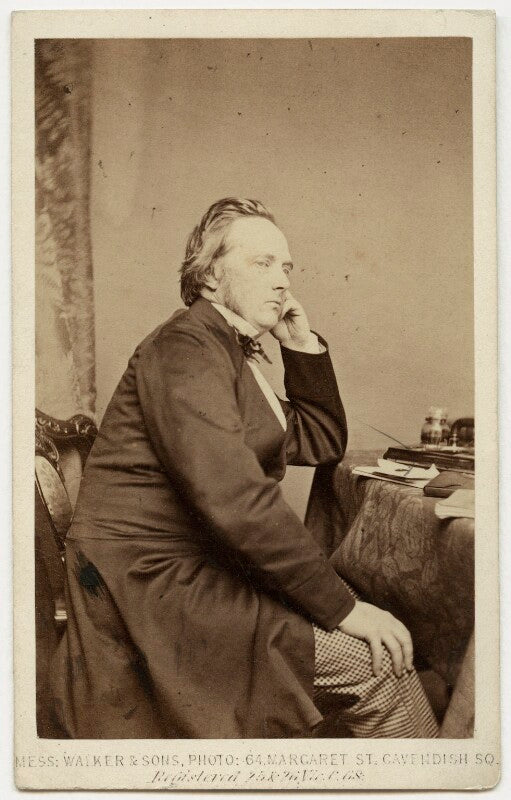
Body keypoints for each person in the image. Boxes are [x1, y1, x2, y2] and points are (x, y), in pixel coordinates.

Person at [51, 198, 438, 739]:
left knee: (380, 632)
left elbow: (319, 440)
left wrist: (300, 346)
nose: (282, 281)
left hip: (194, 571)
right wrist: (342, 609)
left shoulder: (226, 348)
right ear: (210, 276)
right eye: (262, 263)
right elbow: (235, 498)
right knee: (381, 667)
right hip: (152, 586)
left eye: (287, 267)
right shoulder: (185, 347)